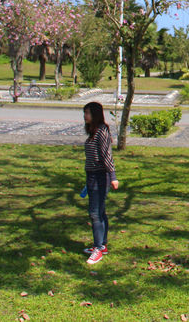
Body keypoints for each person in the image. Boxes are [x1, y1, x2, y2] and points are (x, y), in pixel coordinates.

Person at [81, 101, 119, 265]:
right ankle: (102, 244)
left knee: (95, 213)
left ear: (95, 114)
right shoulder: (93, 132)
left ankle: (98, 248)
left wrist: (113, 176)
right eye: (84, 113)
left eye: (88, 113)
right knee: (100, 212)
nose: (85, 116)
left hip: (100, 177)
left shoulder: (102, 131)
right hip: (92, 176)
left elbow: (106, 155)